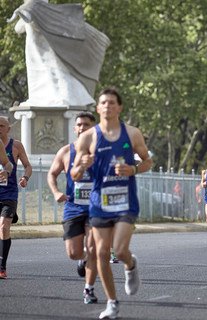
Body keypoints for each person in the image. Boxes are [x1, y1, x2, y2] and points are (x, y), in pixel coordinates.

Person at [71, 88, 152, 319]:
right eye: (103, 102)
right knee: (102, 252)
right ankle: (112, 303)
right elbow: (75, 175)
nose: (107, 106)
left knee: (119, 248)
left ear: (119, 107)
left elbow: (148, 161)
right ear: (98, 108)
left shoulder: (133, 134)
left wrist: (134, 168)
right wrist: (83, 165)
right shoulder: (87, 138)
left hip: (126, 201)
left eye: (112, 102)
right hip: (99, 202)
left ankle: (130, 264)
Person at [47, 112, 98, 303]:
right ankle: (82, 259)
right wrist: (56, 192)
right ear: (75, 128)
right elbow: (52, 174)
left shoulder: (101, 151)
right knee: (73, 252)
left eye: (86, 124)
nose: (82, 127)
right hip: (73, 208)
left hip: (96, 208)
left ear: (93, 128)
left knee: (93, 247)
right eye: (79, 125)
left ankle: (89, 289)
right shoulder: (66, 152)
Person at [0, 116, 32, 280]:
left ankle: (2, 267)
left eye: (1, 126)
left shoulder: (16, 145)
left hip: (9, 192)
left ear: (8, 128)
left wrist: (25, 178)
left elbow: (27, 165)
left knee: (4, 227)